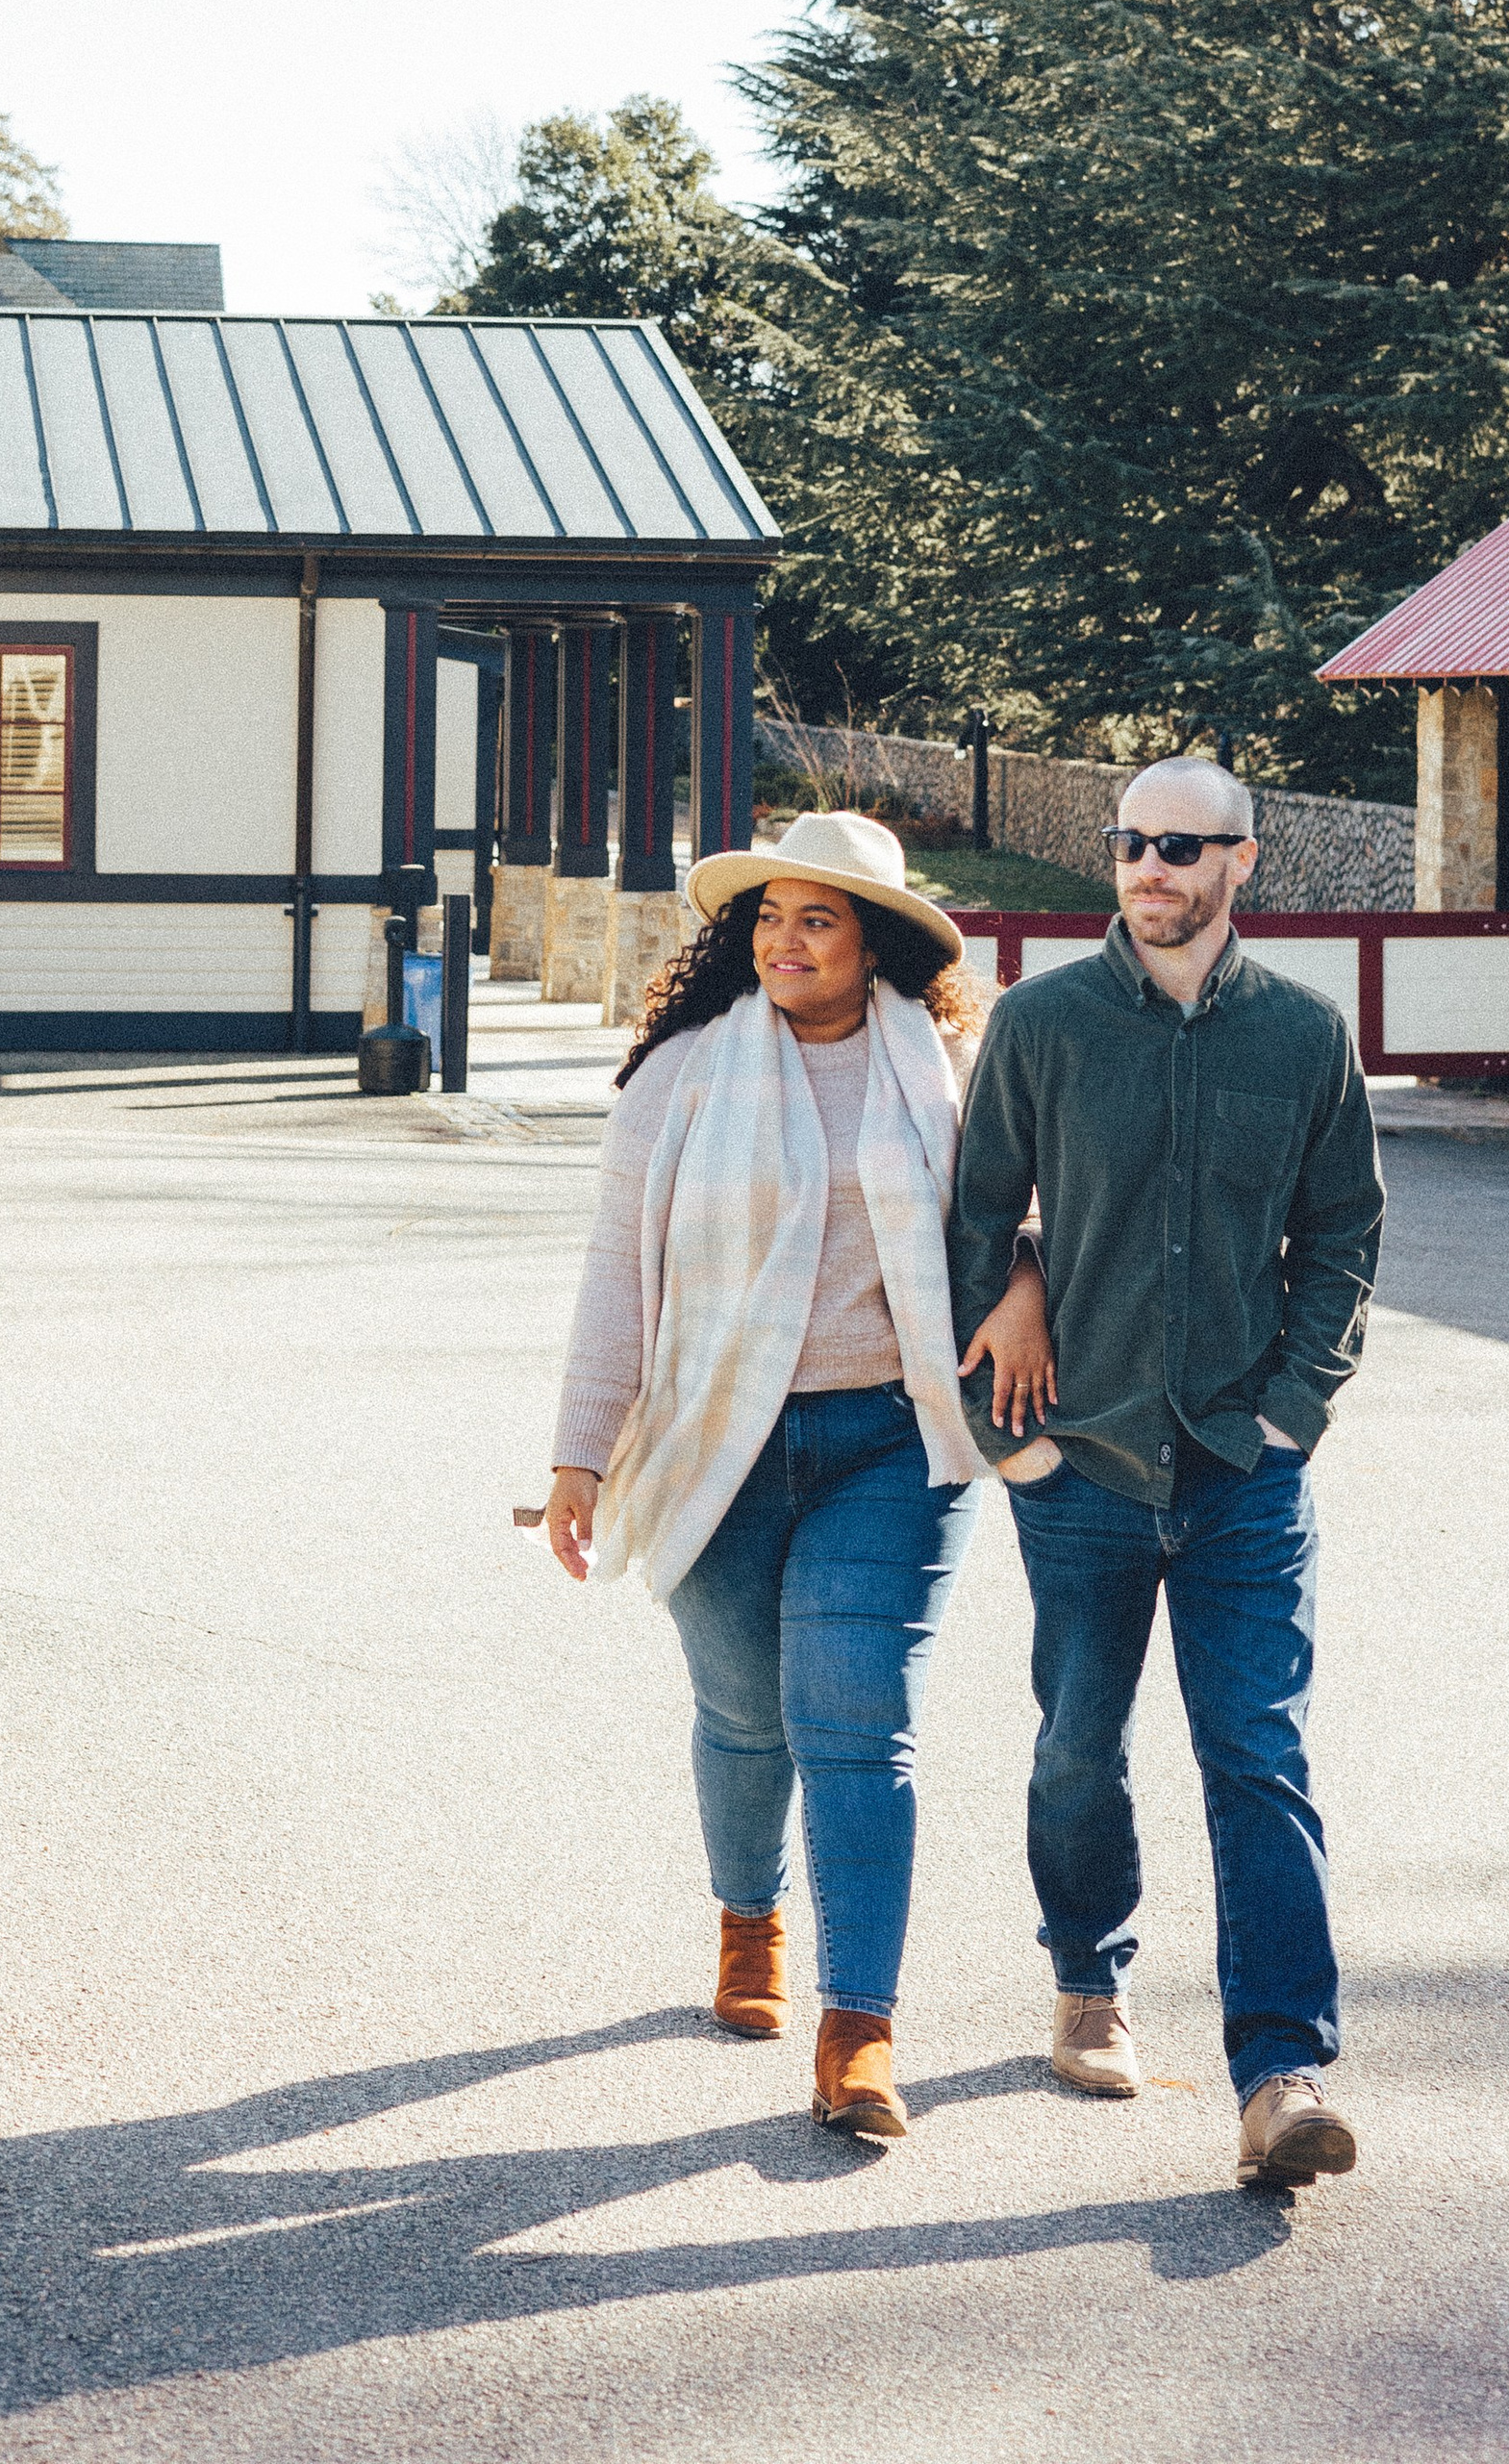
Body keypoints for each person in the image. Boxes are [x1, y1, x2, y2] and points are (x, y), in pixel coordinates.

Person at [950, 755, 1383, 2193]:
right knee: (1078, 1742)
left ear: (1242, 863)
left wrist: (1293, 1415)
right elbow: (969, 1217)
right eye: (1132, 843)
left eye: (1182, 847)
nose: (1149, 868)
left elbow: (1342, 1240)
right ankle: (1087, 1978)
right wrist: (1009, 1425)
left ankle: (1281, 2073)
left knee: (1258, 1753)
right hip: (1081, 1463)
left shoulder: (1307, 1040)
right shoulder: (1042, 1022)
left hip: (1241, 1469)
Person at [543, 811, 993, 2143]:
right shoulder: (681, 1073)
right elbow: (619, 1276)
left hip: (894, 1441)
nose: (786, 942)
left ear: (881, 944)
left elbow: (1023, 1213)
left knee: (856, 1718)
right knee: (746, 1714)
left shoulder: (955, 1065)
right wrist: (579, 1452)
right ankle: (750, 1917)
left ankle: (859, 2030)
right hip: (712, 1441)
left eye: (820, 920)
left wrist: (1022, 1293)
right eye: (770, 918)